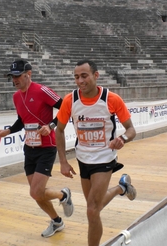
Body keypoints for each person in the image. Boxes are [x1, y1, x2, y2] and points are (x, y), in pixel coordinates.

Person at [0, 59, 74, 238]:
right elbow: (22, 121)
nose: (15, 80)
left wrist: (50, 126)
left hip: (47, 147)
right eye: (12, 77)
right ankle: (57, 221)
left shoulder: (42, 91)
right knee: (37, 195)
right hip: (30, 147)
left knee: (35, 191)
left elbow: (67, 108)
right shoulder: (16, 96)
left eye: (18, 76)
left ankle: (63, 194)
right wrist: (7, 131)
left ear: (29, 74)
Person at [55, 59, 137, 246]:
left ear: (96, 75)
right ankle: (120, 188)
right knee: (95, 209)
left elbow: (131, 130)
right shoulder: (70, 100)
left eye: (84, 76)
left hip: (104, 158)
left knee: (92, 210)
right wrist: (63, 162)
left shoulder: (112, 99)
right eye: (76, 77)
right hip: (83, 159)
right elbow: (58, 130)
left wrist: (122, 139)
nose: (80, 81)